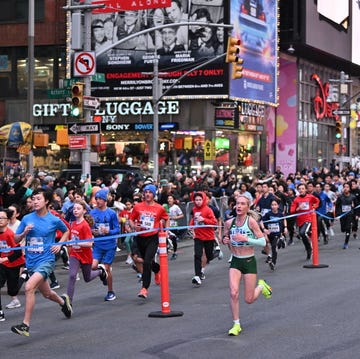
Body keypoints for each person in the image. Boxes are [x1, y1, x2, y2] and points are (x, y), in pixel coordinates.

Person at [11, 188, 72, 337]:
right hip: (31, 261)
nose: (35, 201)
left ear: (46, 201)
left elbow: (66, 230)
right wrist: (24, 232)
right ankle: (63, 302)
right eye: (33, 199)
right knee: (47, 294)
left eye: (38, 199)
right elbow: (16, 239)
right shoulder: (27, 218)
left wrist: (60, 244)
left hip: (47, 260)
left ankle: (25, 325)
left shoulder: (54, 219)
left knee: (29, 287)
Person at [222, 195, 272, 336]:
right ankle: (236, 324)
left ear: (247, 207)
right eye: (237, 203)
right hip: (236, 260)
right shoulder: (229, 223)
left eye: (242, 204)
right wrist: (225, 240)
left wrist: (246, 239)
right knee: (233, 292)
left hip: (249, 261)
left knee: (249, 299)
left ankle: (262, 286)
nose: (239, 206)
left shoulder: (251, 222)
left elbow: (263, 242)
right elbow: (226, 239)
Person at [129, 184, 169, 299]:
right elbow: (131, 219)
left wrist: (165, 232)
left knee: (146, 262)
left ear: (154, 194)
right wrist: (134, 226)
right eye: (145, 192)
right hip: (140, 237)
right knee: (141, 260)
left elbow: (166, 218)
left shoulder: (159, 208)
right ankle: (156, 270)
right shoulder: (138, 207)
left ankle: (144, 288)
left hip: (152, 238)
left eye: (150, 192)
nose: (147, 194)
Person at [67, 200, 108, 303]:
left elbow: (90, 244)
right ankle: (68, 302)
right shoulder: (73, 223)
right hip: (75, 254)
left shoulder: (85, 225)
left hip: (85, 255)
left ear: (84, 211)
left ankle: (100, 271)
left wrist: (75, 243)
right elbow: (72, 238)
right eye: (74, 208)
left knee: (87, 278)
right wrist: (69, 243)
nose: (75, 210)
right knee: (72, 276)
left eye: (78, 209)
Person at [90, 189, 120, 301]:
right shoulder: (92, 213)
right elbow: (89, 227)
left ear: (105, 200)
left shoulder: (111, 213)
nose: (97, 201)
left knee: (107, 268)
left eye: (100, 199)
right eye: (96, 199)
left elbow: (117, 229)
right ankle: (101, 274)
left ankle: (111, 291)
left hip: (110, 245)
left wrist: (109, 231)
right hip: (97, 245)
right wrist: (93, 231)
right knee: (92, 266)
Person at [0, 209, 25, 321]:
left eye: (2, 218)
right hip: (2, 264)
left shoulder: (10, 234)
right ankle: (0, 312)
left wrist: (6, 258)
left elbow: (18, 252)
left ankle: (24, 275)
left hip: (14, 263)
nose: (0, 220)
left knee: (12, 291)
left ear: (8, 220)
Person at [189, 191, 218, 286]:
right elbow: (193, 219)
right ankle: (197, 275)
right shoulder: (194, 209)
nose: (198, 202)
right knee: (197, 255)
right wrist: (191, 225)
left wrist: (204, 220)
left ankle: (216, 253)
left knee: (209, 256)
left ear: (203, 200)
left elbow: (214, 222)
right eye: (196, 200)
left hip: (208, 236)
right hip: (198, 236)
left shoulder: (208, 210)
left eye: (200, 200)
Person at [290, 183, 320, 260]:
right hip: (300, 220)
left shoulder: (310, 197)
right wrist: (298, 208)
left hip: (308, 219)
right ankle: (308, 249)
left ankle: (310, 246)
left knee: (302, 233)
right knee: (302, 236)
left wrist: (314, 207)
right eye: (299, 189)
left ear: (306, 189)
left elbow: (317, 201)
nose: (301, 190)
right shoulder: (296, 199)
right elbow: (292, 211)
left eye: (303, 189)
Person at [261, 198, 287, 270]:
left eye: (275, 205)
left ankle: (273, 262)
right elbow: (261, 221)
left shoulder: (280, 214)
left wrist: (285, 227)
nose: (273, 206)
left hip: (277, 234)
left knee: (274, 247)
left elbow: (284, 219)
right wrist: (264, 230)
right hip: (269, 234)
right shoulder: (268, 214)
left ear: (278, 206)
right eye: (272, 205)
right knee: (267, 243)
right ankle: (282, 241)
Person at [335, 182, 356, 249]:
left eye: (347, 187)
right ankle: (346, 229)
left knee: (348, 228)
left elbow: (357, 206)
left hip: (350, 215)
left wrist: (357, 214)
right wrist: (337, 215)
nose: (345, 188)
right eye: (344, 187)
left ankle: (346, 243)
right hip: (342, 215)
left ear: (349, 188)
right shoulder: (340, 197)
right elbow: (337, 206)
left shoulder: (353, 197)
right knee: (343, 229)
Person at [163, 194, 184, 260]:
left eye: (171, 198)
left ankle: (175, 252)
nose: (169, 200)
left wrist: (176, 217)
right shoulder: (165, 206)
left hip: (174, 225)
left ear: (173, 200)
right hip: (166, 226)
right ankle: (165, 253)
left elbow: (182, 215)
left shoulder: (176, 207)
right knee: (165, 239)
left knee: (173, 239)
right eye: (168, 198)